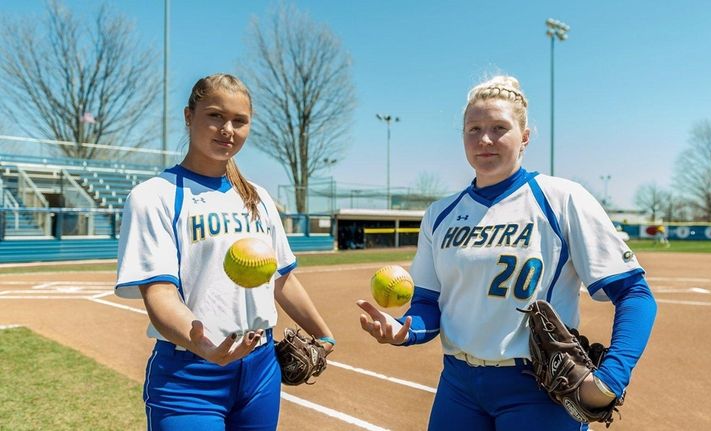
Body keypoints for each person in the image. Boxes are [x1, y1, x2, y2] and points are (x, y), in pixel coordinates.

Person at [357, 75, 657, 430]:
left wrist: (611, 378)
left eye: (499, 128)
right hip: (459, 387)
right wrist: (403, 330)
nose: (484, 140)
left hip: (538, 389)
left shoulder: (561, 199)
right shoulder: (440, 214)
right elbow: (427, 305)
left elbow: (635, 293)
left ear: (525, 137)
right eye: (473, 129)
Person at [115, 73, 335, 431]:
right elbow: (160, 295)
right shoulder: (153, 196)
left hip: (260, 370)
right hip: (189, 375)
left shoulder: (258, 199)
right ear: (189, 116)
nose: (227, 129)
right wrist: (204, 345)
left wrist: (324, 333)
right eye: (215, 116)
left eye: (239, 121)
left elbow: (281, 280)